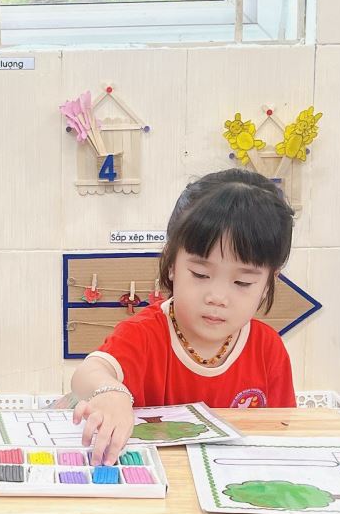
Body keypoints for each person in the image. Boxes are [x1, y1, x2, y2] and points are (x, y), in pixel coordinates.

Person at [69, 169, 297, 467]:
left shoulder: (268, 349)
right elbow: (88, 373)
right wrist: (111, 392)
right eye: (200, 274)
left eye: (242, 282)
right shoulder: (144, 335)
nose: (217, 297)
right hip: (155, 482)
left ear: (269, 282)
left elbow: (283, 430)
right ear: (172, 264)